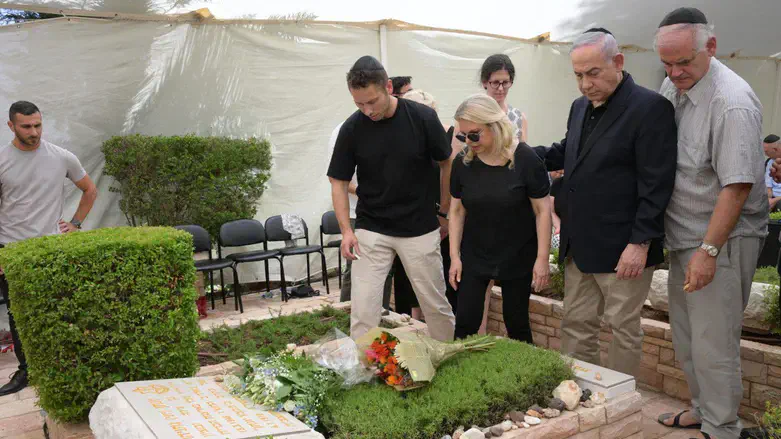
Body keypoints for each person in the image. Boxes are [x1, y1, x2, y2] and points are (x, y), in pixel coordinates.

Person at [532, 28, 678, 377]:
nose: (585, 84)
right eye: (579, 75)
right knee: (575, 324)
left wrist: (640, 243)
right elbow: (568, 152)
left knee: (622, 329)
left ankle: (619, 402)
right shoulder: (579, 107)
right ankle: (582, 395)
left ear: (618, 62)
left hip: (624, 247)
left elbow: (656, 184)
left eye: (593, 73)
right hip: (579, 244)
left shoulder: (650, 108)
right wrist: (518, 152)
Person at [652, 8, 768, 439]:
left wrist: (709, 251)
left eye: (684, 62)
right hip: (685, 237)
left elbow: (736, 188)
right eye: (667, 62)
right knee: (688, 339)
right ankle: (703, 409)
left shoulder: (731, 102)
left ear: (711, 47)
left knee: (715, 343)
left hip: (720, 241)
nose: (674, 72)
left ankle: (722, 428)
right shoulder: (673, 85)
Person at [327, 56, 456, 341]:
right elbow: (338, 182)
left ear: (388, 86)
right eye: (359, 104)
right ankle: (364, 370)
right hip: (371, 229)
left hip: (419, 227)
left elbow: (447, 161)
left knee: (434, 304)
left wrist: (444, 211)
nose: (367, 110)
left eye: (372, 101)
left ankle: (445, 359)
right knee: (363, 310)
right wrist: (347, 231)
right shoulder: (352, 128)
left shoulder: (422, 117)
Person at [0, 101, 98, 396]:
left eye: (38, 125)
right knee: (19, 317)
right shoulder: (2, 160)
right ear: (11, 126)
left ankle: (62, 367)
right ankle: (26, 372)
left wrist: (76, 223)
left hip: (50, 249)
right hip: (12, 250)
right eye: (27, 126)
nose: (34, 132)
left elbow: (89, 189)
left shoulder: (61, 157)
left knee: (59, 311)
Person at [448, 94, 551, 342]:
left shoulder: (525, 159)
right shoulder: (463, 162)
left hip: (518, 253)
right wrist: (454, 257)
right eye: (463, 136)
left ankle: (525, 375)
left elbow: (542, 210)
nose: (468, 141)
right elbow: (456, 210)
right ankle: (464, 376)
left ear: (494, 125)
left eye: (474, 134)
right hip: (475, 253)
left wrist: (542, 259)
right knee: (465, 322)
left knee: (516, 323)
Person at [390, 89, 461, 320]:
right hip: (406, 224)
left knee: (439, 283)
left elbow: (452, 182)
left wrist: (444, 215)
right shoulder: (399, 142)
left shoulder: (448, 142)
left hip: (441, 221)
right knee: (407, 283)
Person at [481, 54, 528, 142]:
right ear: (484, 82)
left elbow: (523, 153)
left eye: (505, 82)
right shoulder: (471, 115)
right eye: (495, 82)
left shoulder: (519, 118)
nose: (501, 88)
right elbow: (459, 154)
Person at [763, 135, 781, 211]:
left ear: (775, 149)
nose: (765, 154)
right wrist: (768, 200)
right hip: (773, 199)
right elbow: (768, 187)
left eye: (766, 151)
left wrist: (776, 200)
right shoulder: (769, 162)